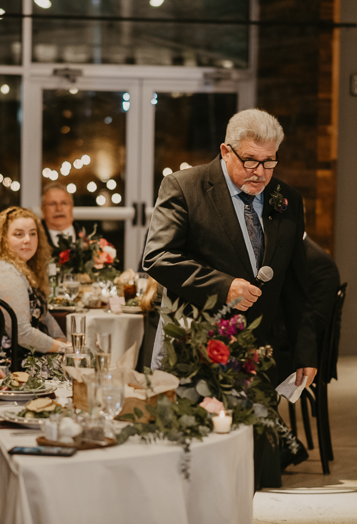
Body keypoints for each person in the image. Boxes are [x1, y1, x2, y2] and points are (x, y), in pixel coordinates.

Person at [142, 108, 317, 487]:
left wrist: (305, 351)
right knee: (197, 469)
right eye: (250, 160)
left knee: (259, 475)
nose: (260, 172)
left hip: (260, 348)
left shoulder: (287, 199)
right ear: (225, 151)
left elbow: (296, 284)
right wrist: (224, 286)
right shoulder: (185, 186)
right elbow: (157, 257)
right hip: (197, 345)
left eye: (269, 162)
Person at [0, 207, 67, 356]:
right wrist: (66, 349)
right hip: (5, 364)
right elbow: (22, 333)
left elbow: (44, 316)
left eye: (33, 233)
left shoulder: (20, 268)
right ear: (3, 238)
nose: (27, 240)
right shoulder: (3, 272)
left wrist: (61, 339)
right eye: (19, 234)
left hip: (23, 355)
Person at [302, 235, 341, 379]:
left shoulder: (319, 262)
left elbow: (317, 320)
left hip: (311, 352)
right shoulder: (295, 252)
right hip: (295, 340)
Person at [40, 183, 82, 250]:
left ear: (71, 207)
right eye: (52, 204)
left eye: (64, 203)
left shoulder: (90, 238)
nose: (59, 209)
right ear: (43, 210)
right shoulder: (34, 240)